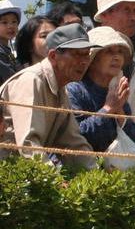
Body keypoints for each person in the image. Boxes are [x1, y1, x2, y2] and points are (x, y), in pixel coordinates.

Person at [0, 23, 102, 169]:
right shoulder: (31, 81)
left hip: (20, 173)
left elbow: (73, 142)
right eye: (77, 54)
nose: (84, 61)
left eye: (86, 54)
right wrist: (55, 182)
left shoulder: (60, 88)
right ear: (53, 56)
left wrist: (96, 177)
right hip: (8, 176)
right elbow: (29, 144)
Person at [69, 27, 135, 155]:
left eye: (120, 52)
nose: (117, 57)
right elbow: (77, 137)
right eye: (109, 51)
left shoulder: (118, 95)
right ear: (93, 59)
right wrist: (108, 109)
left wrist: (120, 114)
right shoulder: (74, 91)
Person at [0, 0, 21, 85]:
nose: (10, 26)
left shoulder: (7, 49)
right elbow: (10, 80)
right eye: (4, 22)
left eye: (14, 21)